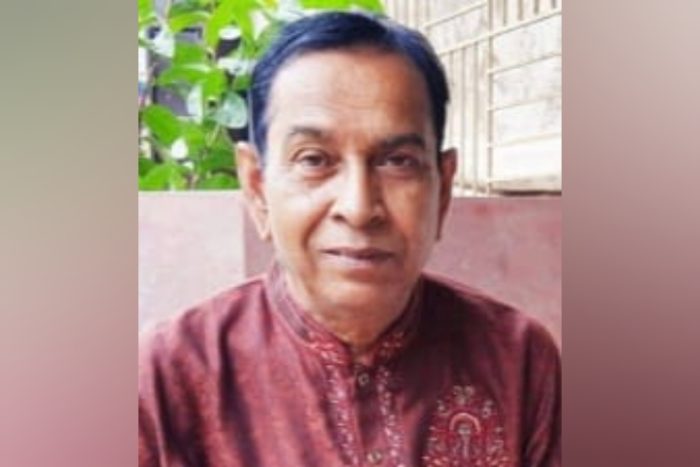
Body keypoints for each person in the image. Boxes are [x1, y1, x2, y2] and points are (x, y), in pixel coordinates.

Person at [139, 11, 560, 467]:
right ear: (257, 187)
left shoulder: (517, 362)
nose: (359, 207)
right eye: (314, 159)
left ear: (442, 188)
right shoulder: (169, 378)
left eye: (397, 161)